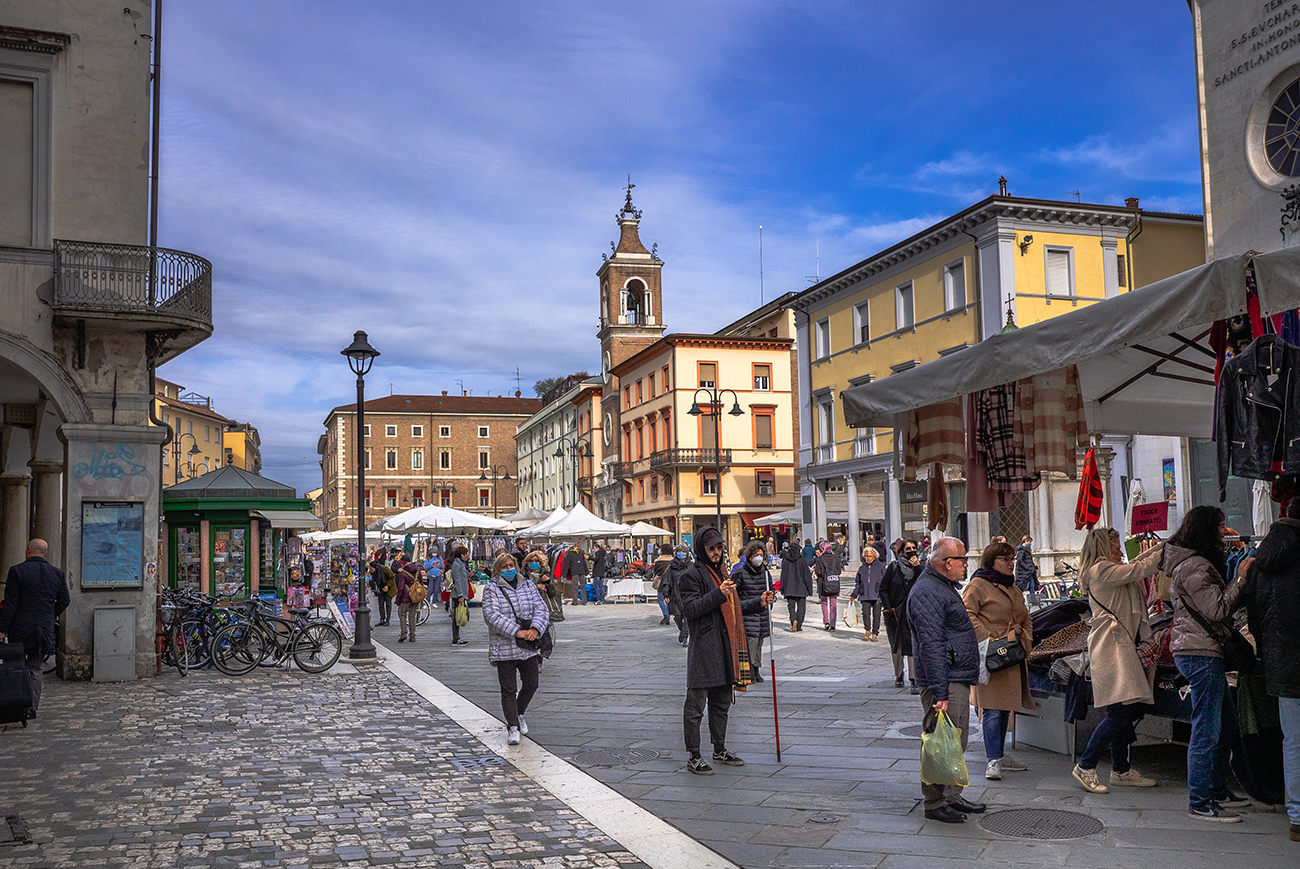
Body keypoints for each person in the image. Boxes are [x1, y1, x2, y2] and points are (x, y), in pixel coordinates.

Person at [1164, 504, 1252, 822]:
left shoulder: (1195, 563)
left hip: (1199, 650)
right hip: (1199, 653)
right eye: (1219, 525)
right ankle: (1200, 802)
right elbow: (1216, 610)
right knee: (1207, 730)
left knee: (1225, 724)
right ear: (1205, 529)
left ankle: (1216, 790)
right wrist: (1240, 579)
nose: (1224, 531)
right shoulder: (1194, 566)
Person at [1070, 527, 1165, 794]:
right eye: (1115, 543)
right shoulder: (1100, 570)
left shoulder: (1108, 569)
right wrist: (1169, 550)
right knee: (1121, 712)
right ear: (1103, 545)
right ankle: (1086, 766)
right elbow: (1139, 569)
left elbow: (1136, 563)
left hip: (1119, 645)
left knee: (1121, 710)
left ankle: (1121, 770)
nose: (1120, 548)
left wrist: (1165, 544)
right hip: (1111, 646)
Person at [677, 527, 776, 774]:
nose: (716, 552)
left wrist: (758, 603)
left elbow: (733, 606)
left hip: (725, 647)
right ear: (702, 549)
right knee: (695, 706)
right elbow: (690, 609)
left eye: (719, 547)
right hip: (704, 648)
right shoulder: (691, 575)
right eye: (711, 548)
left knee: (721, 703)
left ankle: (719, 749)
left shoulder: (722, 573)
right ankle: (694, 755)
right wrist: (718, 594)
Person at [909, 536, 984, 824]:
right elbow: (930, 644)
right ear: (947, 562)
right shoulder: (927, 591)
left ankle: (952, 795)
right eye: (963, 559)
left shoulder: (941, 586)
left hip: (955, 675)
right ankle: (935, 801)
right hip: (944, 680)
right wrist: (939, 690)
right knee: (940, 742)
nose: (967, 564)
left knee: (957, 740)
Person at [1242, 498, 1300, 842]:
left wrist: (1266, 652)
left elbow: (1254, 617)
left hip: (1280, 664)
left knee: (1293, 740)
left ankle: (1297, 816)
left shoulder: (1261, 562)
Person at [963, 541, 1035, 781]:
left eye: (1012, 559)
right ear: (991, 561)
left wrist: (1026, 639)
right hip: (991, 655)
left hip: (1012, 653)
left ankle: (1001, 754)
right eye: (1005, 559)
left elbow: (1025, 617)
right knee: (993, 707)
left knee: (1005, 706)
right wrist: (988, 639)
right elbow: (966, 614)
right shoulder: (978, 584)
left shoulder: (1013, 588)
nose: (1011, 563)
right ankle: (992, 759)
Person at [482, 551, 550, 746]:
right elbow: (491, 615)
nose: (509, 569)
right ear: (497, 569)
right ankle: (512, 726)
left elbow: (541, 609)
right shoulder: (491, 589)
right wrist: (516, 631)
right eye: (505, 567)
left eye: (512, 566)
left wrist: (535, 629)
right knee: (508, 689)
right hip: (504, 647)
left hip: (528, 645)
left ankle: (519, 712)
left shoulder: (528, 585)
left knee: (532, 683)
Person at [0, 539, 69, 712]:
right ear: (45, 552)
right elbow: (65, 600)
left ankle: (16, 703)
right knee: (35, 669)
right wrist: (50, 614)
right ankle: (32, 707)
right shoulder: (57, 573)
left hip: (20, 628)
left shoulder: (17, 571)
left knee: (17, 667)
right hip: (43, 629)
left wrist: (2, 629)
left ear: (29, 549)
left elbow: (11, 603)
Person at [880, 540, 920, 693]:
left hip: (912, 612)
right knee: (896, 645)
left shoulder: (920, 567)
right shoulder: (894, 567)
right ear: (902, 551)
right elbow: (883, 588)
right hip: (896, 612)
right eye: (908, 548)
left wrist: (917, 567)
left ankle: (914, 679)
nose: (911, 550)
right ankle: (899, 675)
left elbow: (924, 582)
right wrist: (888, 607)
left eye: (914, 548)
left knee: (912, 645)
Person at [736, 542, 773, 683]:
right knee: (750, 642)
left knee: (759, 643)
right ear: (749, 556)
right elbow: (736, 595)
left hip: (762, 614)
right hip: (748, 613)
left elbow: (770, 588)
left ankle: (756, 669)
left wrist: (771, 598)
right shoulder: (741, 573)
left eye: (761, 555)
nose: (759, 558)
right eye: (756, 555)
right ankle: (749, 670)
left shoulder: (765, 572)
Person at [850, 545, 885, 642]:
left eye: (870, 556)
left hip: (877, 595)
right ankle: (867, 630)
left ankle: (875, 633)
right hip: (864, 594)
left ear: (874, 556)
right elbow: (858, 582)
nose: (868, 558)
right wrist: (854, 594)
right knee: (865, 613)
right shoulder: (862, 568)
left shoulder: (881, 567)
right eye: (866, 556)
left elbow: (885, 581)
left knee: (877, 614)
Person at [778, 542, 814, 632]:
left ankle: (793, 619)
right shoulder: (801, 561)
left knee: (791, 607)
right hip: (801, 588)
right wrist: (809, 589)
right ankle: (798, 625)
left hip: (789, 587)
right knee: (801, 607)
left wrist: (782, 588)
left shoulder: (785, 561)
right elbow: (807, 576)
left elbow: (783, 575)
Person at [665, 544, 692, 645]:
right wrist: (666, 593)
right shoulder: (672, 566)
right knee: (677, 616)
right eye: (679, 552)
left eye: (683, 552)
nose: (681, 554)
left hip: (688, 595)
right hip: (675, 595)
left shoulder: (691, 566)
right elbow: (667, 580)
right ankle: (682, 630)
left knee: (686, 617)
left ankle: (685, 636)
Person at [395, 557, 426, 643]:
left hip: (405, 597)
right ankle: (412, 636)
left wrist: (398, 600)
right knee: (412, 615)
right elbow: (421, 584)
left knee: (402, 614)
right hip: (415, 596)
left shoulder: (403, 573)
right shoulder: (418, 571)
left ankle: (403, 633)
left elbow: (401, 588)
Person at [813, 541, 842, 631]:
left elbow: (818, 572)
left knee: (824, 603)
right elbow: (839, 571)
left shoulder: (820, 559)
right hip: (834, 583)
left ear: (822, 549)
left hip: (823, 584)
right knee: (833, 604)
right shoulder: (835, 558)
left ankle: (826, 622)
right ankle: (833, 624)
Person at [449, 546, 471, 647]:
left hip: (460, 593)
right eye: (465, 553)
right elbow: (457, 580)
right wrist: (460, 595)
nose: (467, 555)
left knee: (458, 615)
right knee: (457, 616)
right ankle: (455, 639)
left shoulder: (461, 564)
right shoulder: (457, 564)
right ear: (461, 555)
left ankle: (457, 638)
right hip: (458, 594)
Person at [369, 552, 396, 626]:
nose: (370, 571)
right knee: (380, 604)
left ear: (376, 568)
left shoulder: (384, 569)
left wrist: (387, 586)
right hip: (380, 589)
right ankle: (382, 619)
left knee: (388, 604)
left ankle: (387, 619)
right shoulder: (374, 573)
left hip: (389, 588)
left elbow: (392, 577)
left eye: (371, 569)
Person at [652, 548, 675, 625]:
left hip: (662, 582)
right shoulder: (673, 560)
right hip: (671, 582)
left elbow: (655, 571)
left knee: (660, 599)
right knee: (668, 599)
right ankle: (667, 614)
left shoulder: (659, 561)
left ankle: (666, 614)